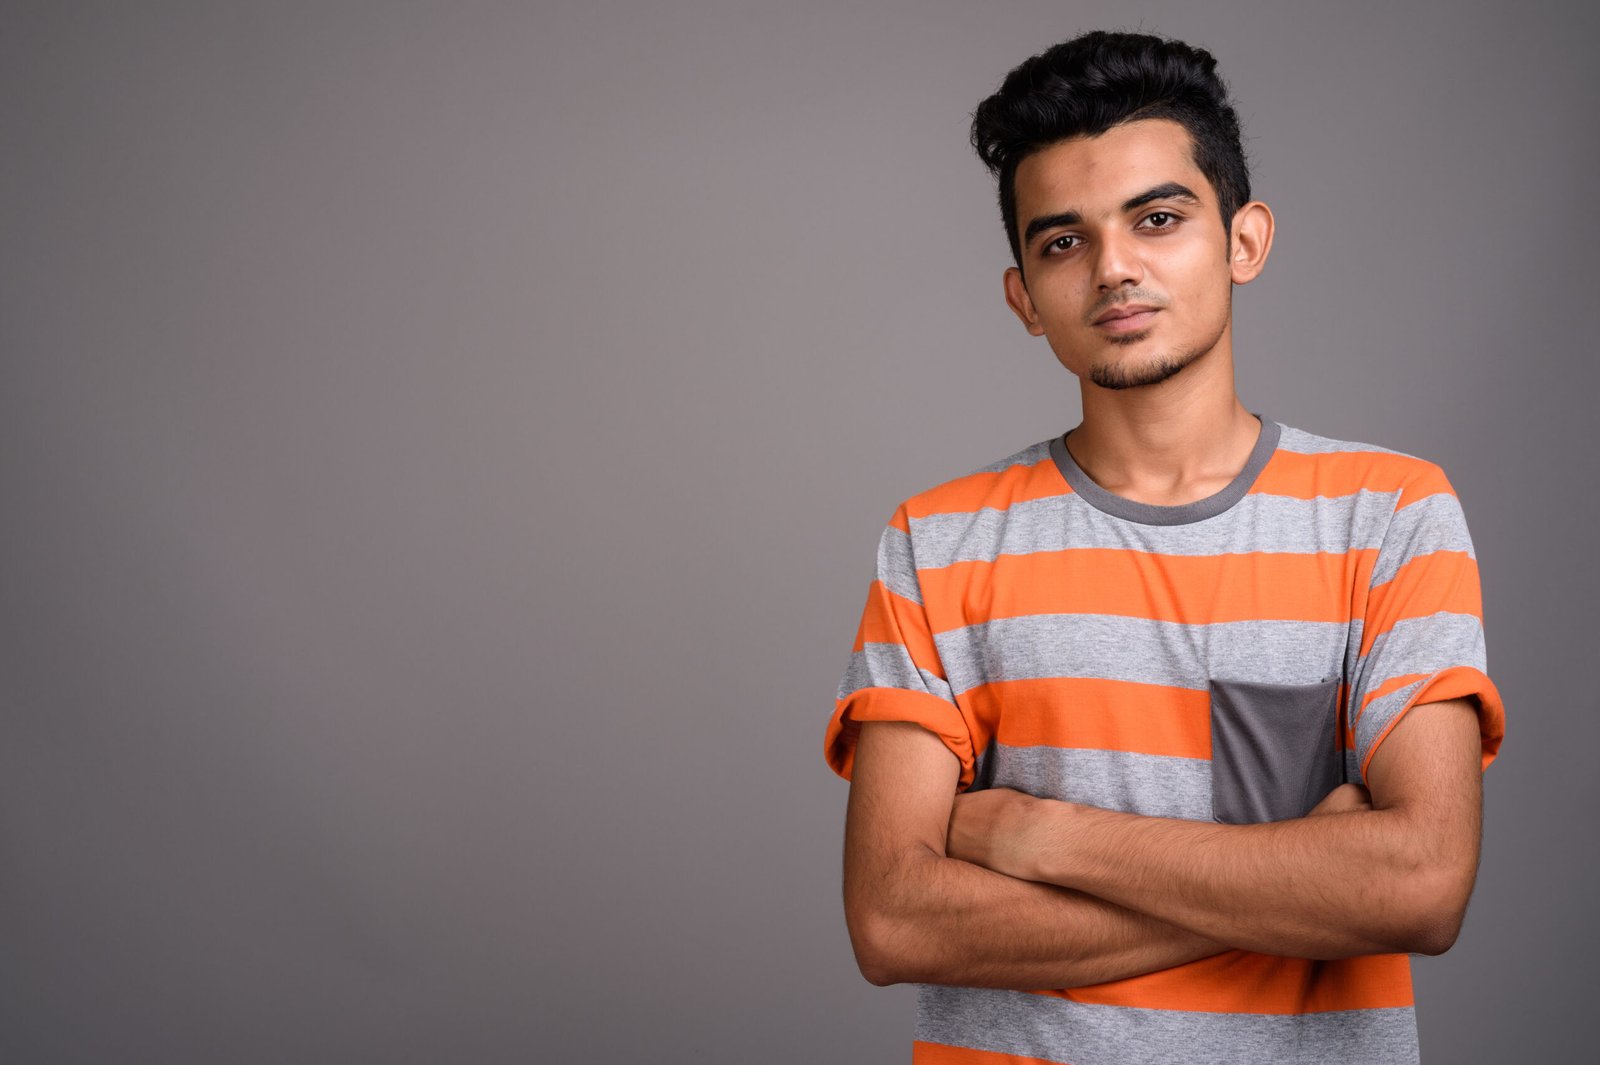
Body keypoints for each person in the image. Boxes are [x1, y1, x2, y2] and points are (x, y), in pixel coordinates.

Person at [822, 29, 1505, 1065]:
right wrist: (1303, 879)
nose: (1114, 269)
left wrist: (1038, 838)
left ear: (1243, 239)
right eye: (1062, 242)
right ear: (1023, 299)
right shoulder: (936, 541)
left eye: (1158, 219)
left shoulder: (1388, 515)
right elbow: (894, 923)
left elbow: (1417, 888)